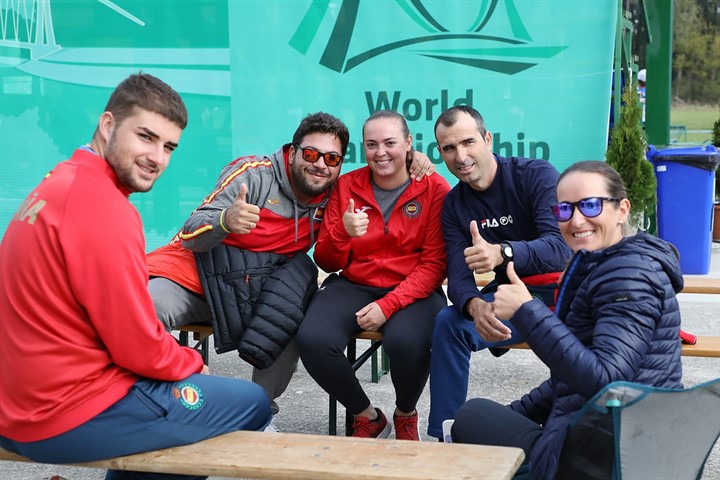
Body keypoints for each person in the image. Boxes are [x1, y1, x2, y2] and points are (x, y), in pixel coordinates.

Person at [0, 73, 272, 480]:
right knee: (251, 401)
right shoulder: (104, 206)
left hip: (20, 402)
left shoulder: (59, 181)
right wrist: (191, 363)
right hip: (60, 412)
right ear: (107, 125)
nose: (157, 157)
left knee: (180, 413)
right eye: (146, 137)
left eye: (169, 147)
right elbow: (137, 347)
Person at [146, 112, 434, 427]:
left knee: (292, 309)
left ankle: (257, 415)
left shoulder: (333, 191)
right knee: (146, 306)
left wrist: (414, 160)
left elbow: (386, 172)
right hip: (197, 277)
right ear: (293, 151)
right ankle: (157, 405)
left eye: (331, 158)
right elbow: (191, 231)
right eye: (310, 154)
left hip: (254, 287)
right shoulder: (253, 175)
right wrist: (225, 220)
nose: (320, 164)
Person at [451, 160, 683, 480]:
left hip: (610, 459)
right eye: (564, 209)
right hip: (616, 437)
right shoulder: (608, 264)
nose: (576, 220)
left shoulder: (628, 276)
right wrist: (516, 414)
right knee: (479, 419)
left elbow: (606, 381)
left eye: (590, 205)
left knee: (470, 417)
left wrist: (526, 310)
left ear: (622, 210)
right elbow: (569, 380)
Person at [296, 110, 450, 440]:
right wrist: (343, 233)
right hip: (354, 284)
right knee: (313, 339)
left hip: (415, 289)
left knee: (407, 341)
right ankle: (366, 415)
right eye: (371, 144)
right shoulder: (346, 185)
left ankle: (405, 413)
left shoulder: (434, 188)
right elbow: (325, 261)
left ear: (408, 143)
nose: (381, 152)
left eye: (390, 143)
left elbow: (434, 265)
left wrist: (388, 305)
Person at [427, 105, 572, 440]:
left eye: (468, 142)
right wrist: (474, 306)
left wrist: (502, 252)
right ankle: (445, 439)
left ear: (488, 139)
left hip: (564, 295)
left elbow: (559, 249)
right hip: (510, 301)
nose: (461, 156)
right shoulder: (454, 205)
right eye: (449, 148)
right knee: (449, 323)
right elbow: (458, 277)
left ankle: (568, 432)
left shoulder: (535, 175)